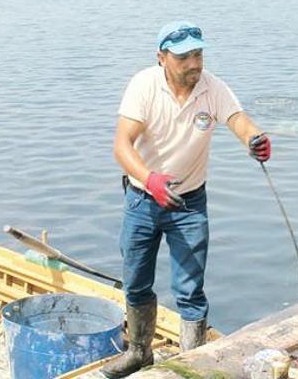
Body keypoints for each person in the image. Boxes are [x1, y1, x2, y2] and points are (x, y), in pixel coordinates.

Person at [102, 21, 271, 378]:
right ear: (161, 57)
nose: (195, 63)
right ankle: (138, 352)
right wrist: (150, 180)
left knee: (190, 290)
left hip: (190, 204)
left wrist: (255, 139)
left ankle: (191, 365)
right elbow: (122, 145)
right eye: (184, 57)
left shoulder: (213, 88)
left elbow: (239, 121)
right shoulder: (143, 86)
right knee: (135, 281)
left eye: (198, 54)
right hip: (142, 201)